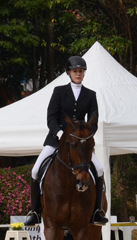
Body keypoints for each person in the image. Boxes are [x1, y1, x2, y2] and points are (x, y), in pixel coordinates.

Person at [24, 55, 108, 227]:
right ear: (69, 73)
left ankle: (97, 211)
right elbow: (51, 117)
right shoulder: (59, 91)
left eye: (81, 71)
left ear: (84, 73)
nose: (78, 74)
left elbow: (94, 120)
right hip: (57, 140)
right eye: (75, 71)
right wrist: (60, 133)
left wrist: (86, 136)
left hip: (80, 144)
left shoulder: (91, 95)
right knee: (35, 170)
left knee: (99, 170)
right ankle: (35, 211)